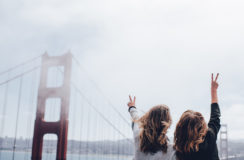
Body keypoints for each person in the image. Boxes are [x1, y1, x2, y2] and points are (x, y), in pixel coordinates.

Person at [173, 73, 221, 160]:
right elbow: (215, 116)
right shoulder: (209, 136)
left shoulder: (179, 148)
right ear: (202, 125)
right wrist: (214, 91)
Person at [127, 95, 176, 160]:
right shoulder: (170, 150)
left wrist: (132, 107)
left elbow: (136, 119)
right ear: (167, 123)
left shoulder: (138, 135)